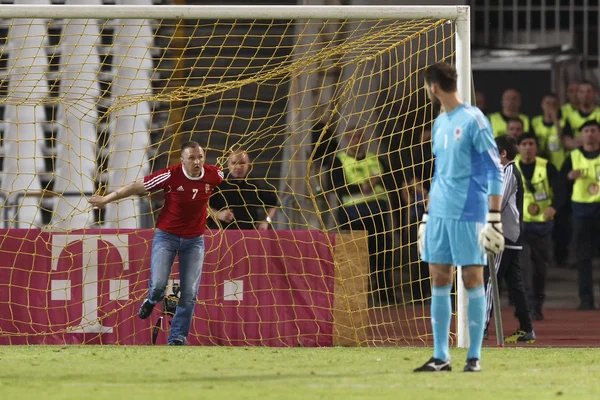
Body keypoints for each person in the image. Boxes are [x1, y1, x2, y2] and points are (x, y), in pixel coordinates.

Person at [414, 62, 504, 373]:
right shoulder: (439, 124)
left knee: (471, 278)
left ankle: (474, 357)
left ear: (434, 87)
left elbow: (494, 170)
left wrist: (494, 217)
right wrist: (426, 214)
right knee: (439, 277)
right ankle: (441, 357)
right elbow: (438, 172)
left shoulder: (474, 120)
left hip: (469, 211)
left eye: (426, 87)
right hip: (439, 211)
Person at [88, 141, 224, 346]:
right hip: (167, 236)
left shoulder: (214, 175)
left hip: (194, 240)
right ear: (183, 160)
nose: (197, 162)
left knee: (189, 292)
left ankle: (177, 337)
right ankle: (151, 300)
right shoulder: (170, 175)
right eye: (192, 158)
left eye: (200, 157)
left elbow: (221, 184)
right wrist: (107, 199)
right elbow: (136, 186)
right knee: (159, 285)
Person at [483, 135, 535, 344]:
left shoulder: (508, 171)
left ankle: (481, 328)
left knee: (489, 281)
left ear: (502, 153)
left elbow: (499, 202)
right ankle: (526, 328)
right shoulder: (505, 171)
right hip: (510, 235)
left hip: (503, 235)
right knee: (514, 284)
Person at [515, 132, 565, 320]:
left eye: (531, 143)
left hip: (541, 227)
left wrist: (554, 207)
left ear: (536, 147)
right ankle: (523, 306)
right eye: (524, 143)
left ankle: (537, 306)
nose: (528, 147)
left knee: (539, 269)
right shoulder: (511, 167)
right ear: (518, 147)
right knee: (521, 267)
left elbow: (560, 190)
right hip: (518, 225)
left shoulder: (547, 167)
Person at [560, 120, 600, 310]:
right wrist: (569, 177)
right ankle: (586, 300)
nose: (590, 134)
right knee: (583, 258)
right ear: (581, 135)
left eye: (593, 130)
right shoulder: (573, 156)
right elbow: (560, 182)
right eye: (586, 131)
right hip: (582, 210)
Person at [209, 150, 278, 230]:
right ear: (228, 164)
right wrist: (218, 214)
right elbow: (202, 205)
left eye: (242, 163)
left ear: (248, 164)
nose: (238, 167)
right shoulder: (217, 183)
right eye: (234, 163)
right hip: (220, 233)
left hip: (248, 235)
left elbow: (272, 204)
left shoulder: (255, 184)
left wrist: (266, 221)